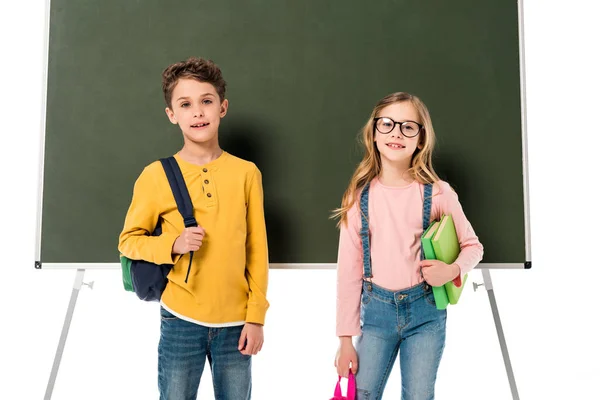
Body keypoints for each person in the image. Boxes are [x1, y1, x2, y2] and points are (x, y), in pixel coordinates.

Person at [118, 57, 269, 400]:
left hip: (236, 323)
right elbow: (128, 242)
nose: (198, 112)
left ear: (222, 107)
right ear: (172, 114)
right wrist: (172, 244)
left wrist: (256, 316)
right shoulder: (155, 176)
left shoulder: (246, 173)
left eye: (206, 101)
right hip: (181, 318)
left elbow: (257, 249)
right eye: (185, 104)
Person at [333, 92, 483, 400]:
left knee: (418, 395)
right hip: (376, 315)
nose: (396, 133)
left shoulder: (439, 193)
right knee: (362, 393)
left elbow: (473, 246)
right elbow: (348, 274)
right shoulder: (358, 199)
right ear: (373, 133)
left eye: (407, 127)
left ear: (421, 137)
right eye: (387, 124)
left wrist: (452, 270)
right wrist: (346, 340)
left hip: (425, 313)